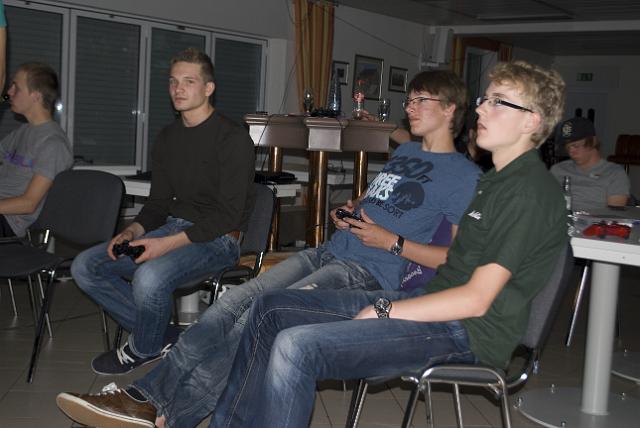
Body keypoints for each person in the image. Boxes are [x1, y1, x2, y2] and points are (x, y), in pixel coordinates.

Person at [56, 69, 482, 428]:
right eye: (410, 99)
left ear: (450, 109)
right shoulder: (407, 152)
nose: (410, 106)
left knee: (252, 324)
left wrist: (392, 242)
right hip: (328, 251)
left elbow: (456, 257)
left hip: (365, 273)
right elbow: (380, 199)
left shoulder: (464, 177)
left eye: (421, 100)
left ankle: (159, 407)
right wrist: (352, 210)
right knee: (229, 306)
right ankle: (147, 400)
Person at [207, 60, 569, 427]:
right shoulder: (495, 181)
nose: (481, 110)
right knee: (269, 308)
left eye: (498, 102)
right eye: (484, 100)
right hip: (433, 305)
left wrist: (385, 309)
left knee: (295, 345)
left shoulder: (527, 192)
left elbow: (476, 299)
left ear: (531, 121)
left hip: (467, 331)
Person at [69, 48, 257, 375]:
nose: (178, 89)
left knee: (149, 276)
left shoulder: (234, 138)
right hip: (172, 226)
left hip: (220, 239)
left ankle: (143, 348)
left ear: (208, 88)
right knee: (85, 266)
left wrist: (164, 244)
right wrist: (132, 231)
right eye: (173, 81)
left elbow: (228, 215)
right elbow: (158, 204)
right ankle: (165, 338)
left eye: (188, 81)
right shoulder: (168, 137)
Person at [0, 62, 72, 238]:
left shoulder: (54, 144)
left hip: (9, 222)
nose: (9, 92)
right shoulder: (21, 132)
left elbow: (28, 204)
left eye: (16, 87)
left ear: (36, 96)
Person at [550, 116, 629, 212]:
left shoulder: (614, 173)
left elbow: (615, 215)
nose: (571, 152)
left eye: (576, 146)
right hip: (559, 219)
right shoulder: (558, 170)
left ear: (592, 142)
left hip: (595, 220)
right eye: (568, 147)